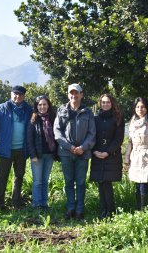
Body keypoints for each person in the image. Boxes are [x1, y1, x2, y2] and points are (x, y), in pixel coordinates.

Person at [54, 83, 96, 220]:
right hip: (66, 153)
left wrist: (82, 148)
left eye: (76, 93)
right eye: (71, 93)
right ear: (68, 95)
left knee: (81, 182)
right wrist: (69, 147)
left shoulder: (88, 112)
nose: (74, 95)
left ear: (81, 94)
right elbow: (57, 131)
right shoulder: (61, 110)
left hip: (82, 154)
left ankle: (79, 210)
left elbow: (92, 134)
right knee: (68, 182)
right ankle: (70, 208)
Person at [0, 85, 32, 209]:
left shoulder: (28, 109)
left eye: (20, 94)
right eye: (15, 94)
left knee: (19, 176)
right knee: (2, 177)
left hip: (21, 149)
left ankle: (16, 202)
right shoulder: (2, 108)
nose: (17, 96)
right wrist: (2, 135)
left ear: (24, 96)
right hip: (5, 149)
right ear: (11, 94)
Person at [90, 94, 125, 219]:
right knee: (100, 182)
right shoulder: (95, 118)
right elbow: (91, 136)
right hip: (97, 154)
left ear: (112, 103)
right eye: (103, 102)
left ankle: (111, 211)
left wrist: (108, 152)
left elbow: (118, 139)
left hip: (111, 155)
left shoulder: (118, 118)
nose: (105, 104)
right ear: (100, 103)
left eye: (108, 102)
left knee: (107, 183)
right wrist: (94, 151)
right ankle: (103, 211)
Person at [124, 97, 148, 211]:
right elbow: (130, 142)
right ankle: (138, 210)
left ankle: (145, 213)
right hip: (135, 157)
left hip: (147, 157)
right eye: (137, 107)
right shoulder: (132, 122)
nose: (140, 109)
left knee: (144, 186)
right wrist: (127, 157)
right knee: (137, 185)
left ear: (147, 108)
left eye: (143, 107)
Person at [26, 95, 57, 210]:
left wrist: (56, 154)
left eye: (44, 104)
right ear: (36, 106)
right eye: (40, 105)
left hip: (49, 154)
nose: (42, 107)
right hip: (37, 156)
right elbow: (29, 140)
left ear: (48, 105)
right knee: (38, 181)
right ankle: (37, 204)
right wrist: (33, 155)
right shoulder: (33, 120)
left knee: (45, 180)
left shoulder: (53, 118)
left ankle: (44, 203)